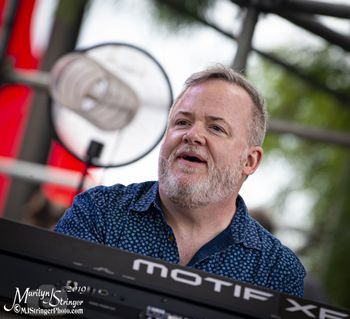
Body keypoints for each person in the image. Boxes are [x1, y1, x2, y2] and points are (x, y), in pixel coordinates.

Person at [55, 65, 306, 297]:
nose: (193, 134)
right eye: (182, 122)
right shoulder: (100, 212)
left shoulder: (276, 270)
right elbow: (45, 301)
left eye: (216, 128)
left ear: (249, 161)